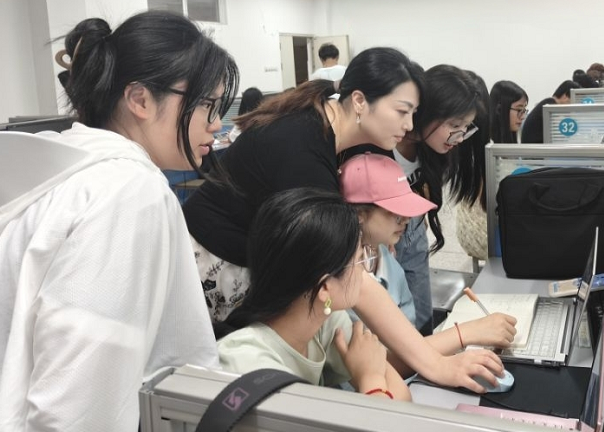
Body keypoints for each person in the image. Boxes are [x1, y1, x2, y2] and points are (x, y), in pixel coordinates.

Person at [183, 47, 504, 392]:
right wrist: (436, 365)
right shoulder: (302, 149)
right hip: (211, 268)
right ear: (360, 101)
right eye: (402, 111)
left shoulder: (329, 132)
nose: (410, 125)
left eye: (413, 113)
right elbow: (349, 274)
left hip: (244, 264)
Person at [0, 11, 239, 430]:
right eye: (207, 104)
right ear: (140, 99)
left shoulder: (74, 171)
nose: (215, 124)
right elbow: (76, 403)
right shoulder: (128, 192)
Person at [217, 188, 411, 401]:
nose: (364, 270)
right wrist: (371, 378)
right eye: (359, 259)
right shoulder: (248, 365)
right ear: (325, 288)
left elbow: (402, 396)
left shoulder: (324, 319)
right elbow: (387, 415)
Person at [340, 152, 517, 355]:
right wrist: (465, 334)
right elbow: (384, 360)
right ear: (360, 215)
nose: (407, 220)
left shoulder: (385, 258)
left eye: (408, 210)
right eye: (396, 214)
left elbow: (409, 338)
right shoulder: (345, 280)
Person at [394, 65, 487, 333]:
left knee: (422, 317)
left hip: (411, 231)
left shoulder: (433, 149)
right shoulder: (389, 143)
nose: (460, 137)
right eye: (455, 125)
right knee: (392, 324)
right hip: (379, 241)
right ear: (428, 111)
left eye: (466, 127)